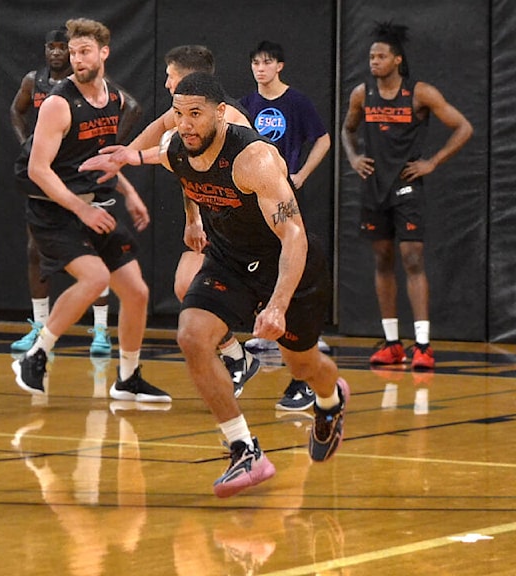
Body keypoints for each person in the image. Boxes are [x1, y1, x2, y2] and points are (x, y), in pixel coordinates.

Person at [81, 72, 348, 498]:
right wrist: (126, 159)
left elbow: (293, 235)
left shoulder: (253, 159)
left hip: (286, 264)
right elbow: (160, 155)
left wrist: (277, 305)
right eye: (178, 114)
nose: (185, 124)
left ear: (220, 113)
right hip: (228, 261)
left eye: (196, 114)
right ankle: (245, 448)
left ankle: (331, 399)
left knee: (303, 366)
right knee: (190, 335)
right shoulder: (178, 147)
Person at [12, 17, 170, 404]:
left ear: (103, 53)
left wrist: (129, 192)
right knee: (95, 278)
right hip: (52, 210)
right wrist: (81, 213)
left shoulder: (113, 100)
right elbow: (37, 169)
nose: (77, 59)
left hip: (93, 203)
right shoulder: (57, 103)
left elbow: (101, 158)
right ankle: (36, 355)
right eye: (73, 52)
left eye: (84, 52)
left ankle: (128, 378)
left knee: (136, 292)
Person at [123, 44, 258, 399]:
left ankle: (304, 379)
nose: (166, 84)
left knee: (272, 311)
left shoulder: (228, 121)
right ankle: (235, 355)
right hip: (217, 223)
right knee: (186, 285)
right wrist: (120, 158)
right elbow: (172, 149)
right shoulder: (184, 115)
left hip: (252, 228)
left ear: (187, 77)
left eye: (170, 76)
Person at [341, 21, 472, 369]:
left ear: (397, 60)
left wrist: (433, 162)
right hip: (373, 188)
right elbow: (347, 129)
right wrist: (354, 158)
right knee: (382, 260)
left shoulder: (420, 93)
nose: (374, 61)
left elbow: (463, 127)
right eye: (371, 56)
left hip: (406, 186)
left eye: (381, 56)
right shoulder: (361, 93)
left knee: (412, 259)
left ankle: (424, 346)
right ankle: (392, 343)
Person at [240, 40, 333, 410]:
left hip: (286, 194)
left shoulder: (296, 102)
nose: (260, 69)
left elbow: (323, 139)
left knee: (293, 258)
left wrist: (302, 174)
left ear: (280, 66)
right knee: (258, 260)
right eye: (255, 63)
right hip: (255, 196)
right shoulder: (246, 104)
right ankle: (266, 329)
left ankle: (300, 337)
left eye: (267, 63)